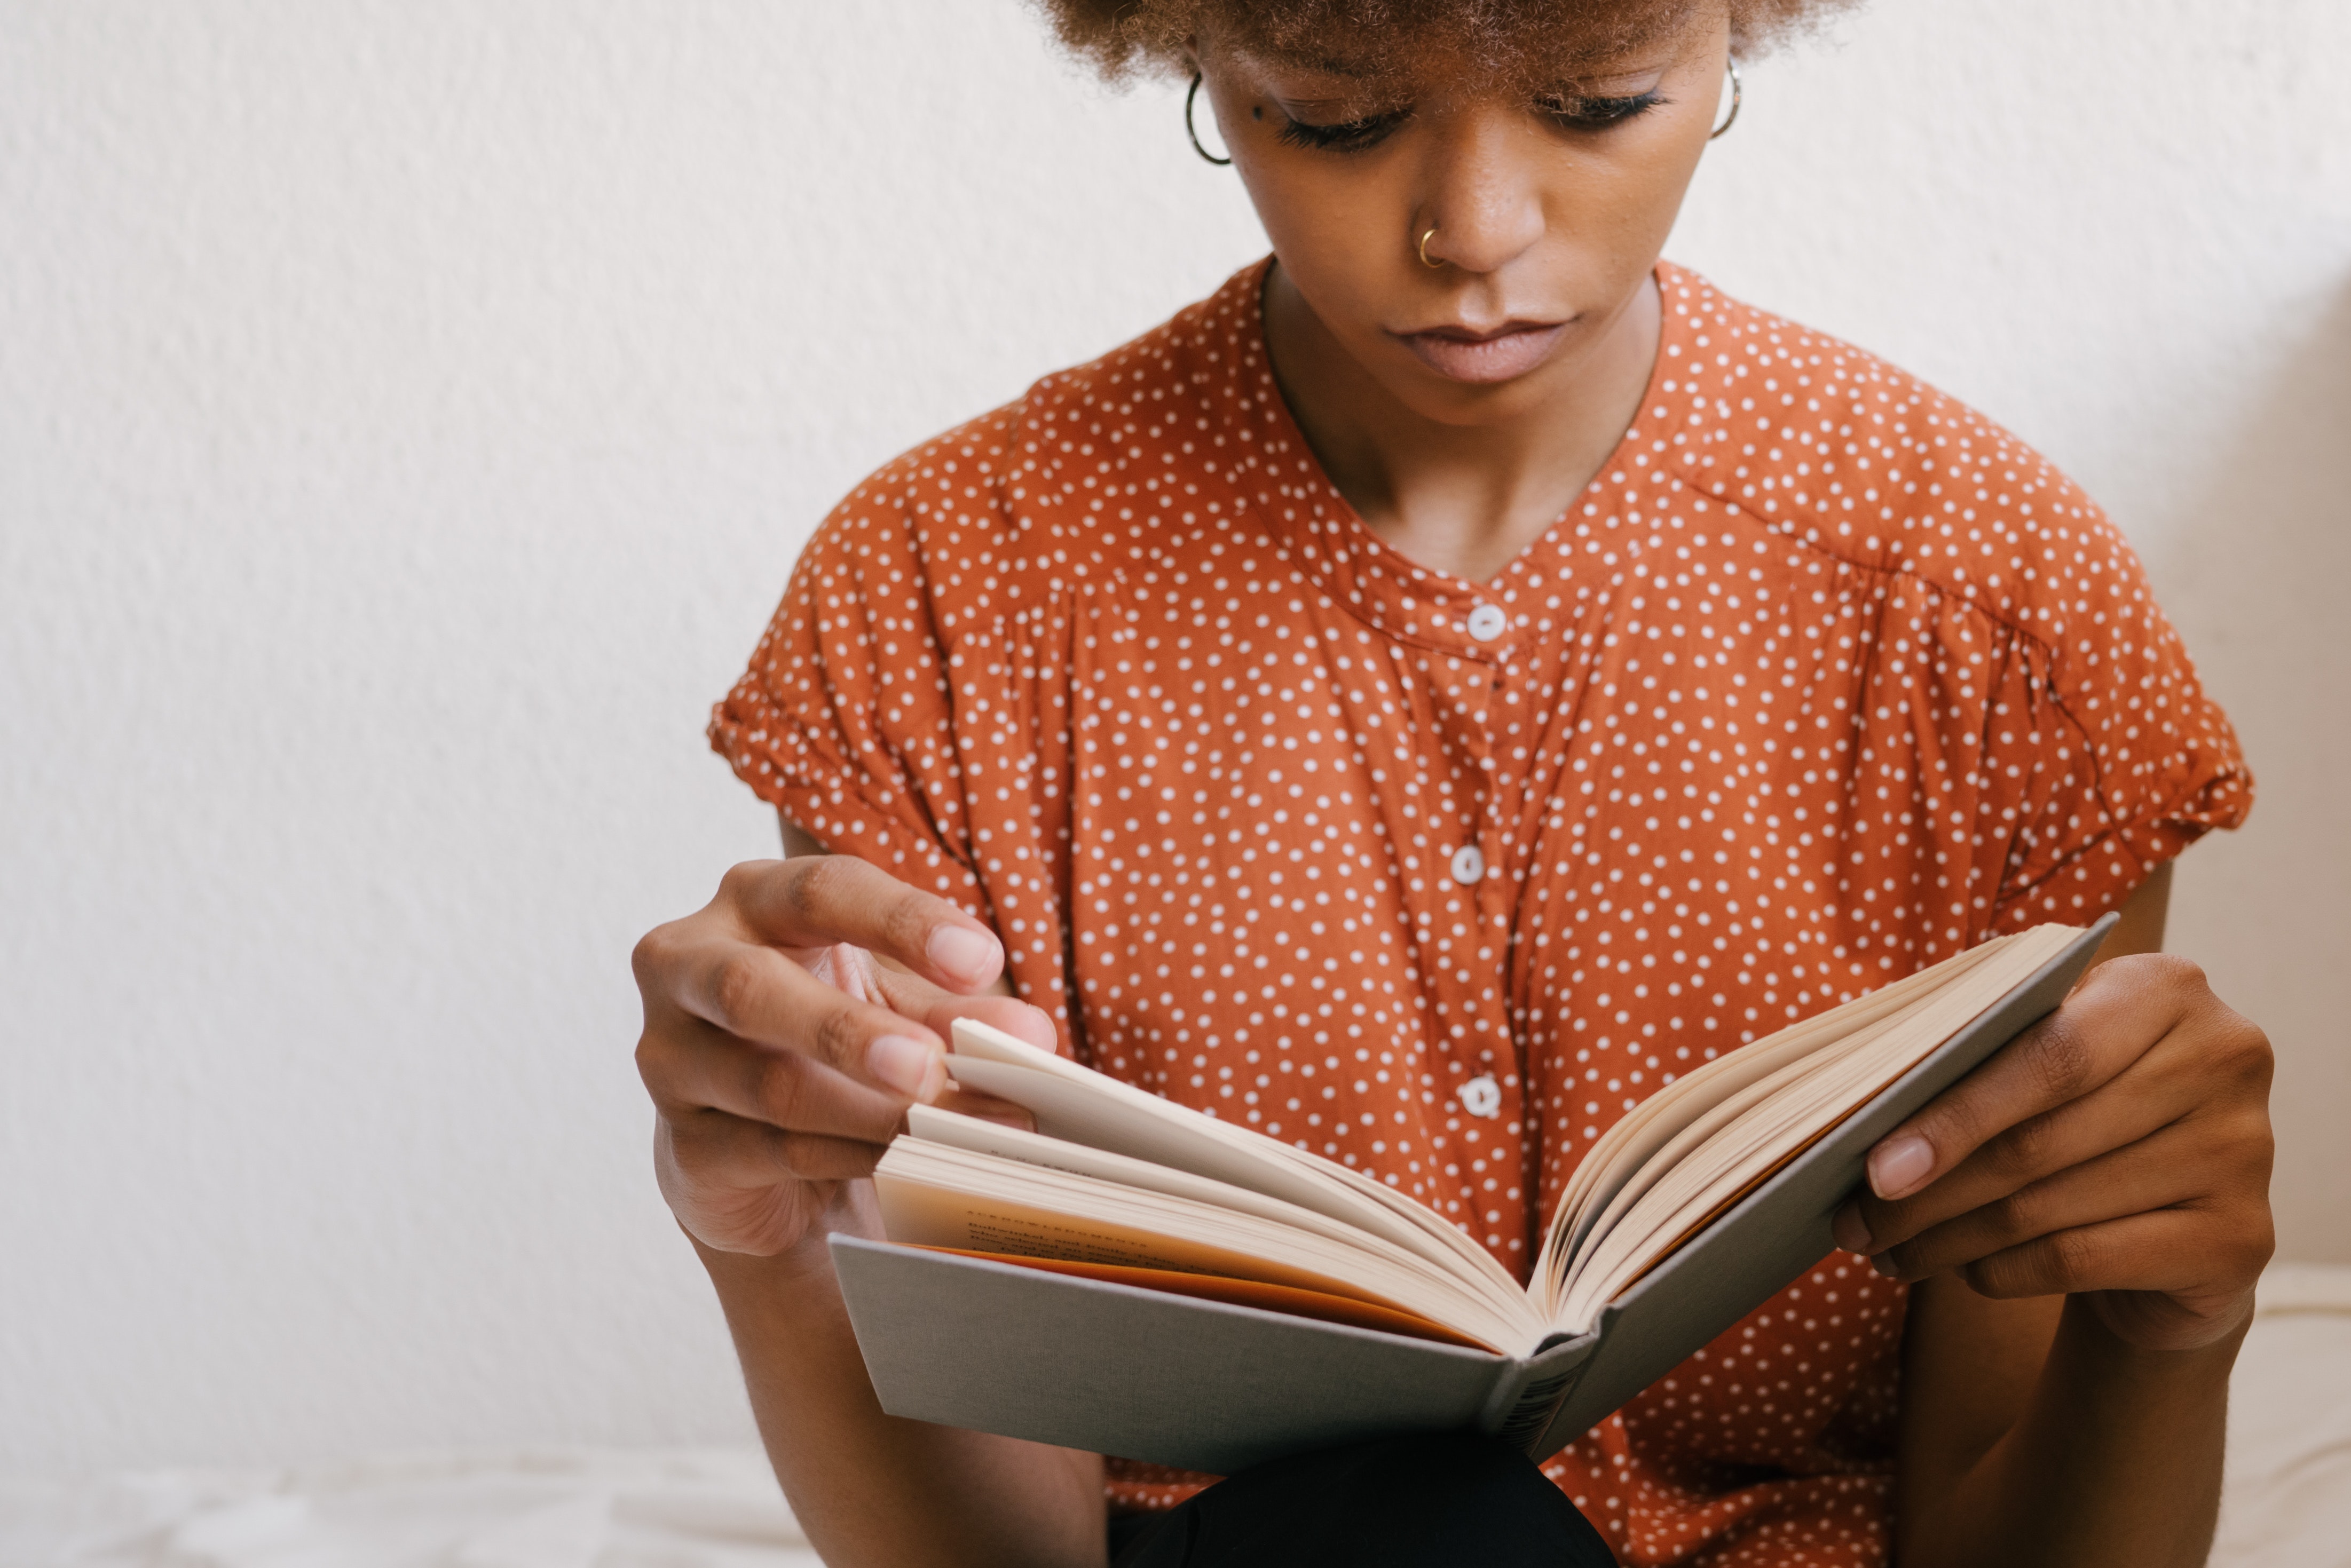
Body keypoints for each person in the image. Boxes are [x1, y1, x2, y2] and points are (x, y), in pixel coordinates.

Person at [628, 0, 2276, 1562]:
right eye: (1332, 115)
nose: (1474, 233)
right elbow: (1015, 1546)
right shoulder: (943, 599)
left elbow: (1995, 1522)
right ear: (1200, 54)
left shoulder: (1995, 608)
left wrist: (2170, 1332)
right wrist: (772, 1253)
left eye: (1596, 103)